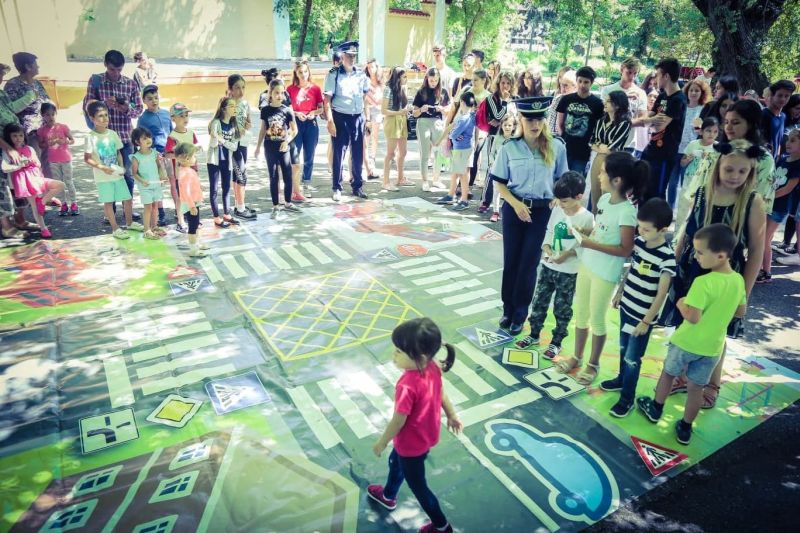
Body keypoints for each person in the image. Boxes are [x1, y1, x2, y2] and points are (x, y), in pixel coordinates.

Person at [664, 141, 766, 409]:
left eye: (742, 171)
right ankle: (683, 375)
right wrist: (674, 265)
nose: (735, 176)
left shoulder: (753, 201)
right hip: (692, 270)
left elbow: (757, 250)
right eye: (729, 169)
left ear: (750, 172)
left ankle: (711, 382)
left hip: (726, 278)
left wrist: (744, 292)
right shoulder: (702, 193)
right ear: (718, 165)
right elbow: (686, 234)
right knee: (687, 320)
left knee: (715, 330)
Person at [638, 223, 746, 445]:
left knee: (668, 374)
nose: (696, 256)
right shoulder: (738, 280)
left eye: (700, 252)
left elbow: (693, 317)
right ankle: (685, 428)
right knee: (696, 388)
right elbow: (740, 311)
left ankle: (656, 408)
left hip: (686, 343)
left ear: (721, 256)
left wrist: (681, 304)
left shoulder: (703, 282)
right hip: (712, 348)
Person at [555, 152, 648, 385]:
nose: (598, 175)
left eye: (603, 172)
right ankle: (576, 357)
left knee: (597, 320)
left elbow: (626, 249)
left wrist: (589, 243)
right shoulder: (605, 200)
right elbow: (601, 232)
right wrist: (584, 233)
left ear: (617, 180)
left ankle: (593, 364)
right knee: (581, 315)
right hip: (587, 265)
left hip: (605, 273)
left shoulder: (627, 211)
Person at [367, 317, 461, 533]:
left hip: (411, 445)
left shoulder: (407, 385)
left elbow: (398, 420)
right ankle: (388, 496)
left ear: (420, 356)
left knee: (419, 487)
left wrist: (382, 442)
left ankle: (441, 526)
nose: (393, 355)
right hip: (424, 436)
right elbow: (441, 392)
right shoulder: (433, 366)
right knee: (396, 462)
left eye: (399, 351)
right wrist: (451, 414)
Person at [491, 96, 568, 335]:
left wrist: (558, 197)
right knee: (511, 261)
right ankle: (508, 309)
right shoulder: (509, 147)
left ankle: (520, 313)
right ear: (521, 120)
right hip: (514, 209)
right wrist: (516, 205)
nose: (535, 125)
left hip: (542, 212)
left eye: (539, 119)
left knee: (528, 264)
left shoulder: (557, 146)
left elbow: (562, 179)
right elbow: (499, 183)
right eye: (530, 120)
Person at [601, 198, 675, 417]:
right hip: (627, 308)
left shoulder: (667, 257)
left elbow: (661, 294)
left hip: (642, 318)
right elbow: (631, 270)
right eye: (639, 227)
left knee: (633, 359)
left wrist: (645, 321)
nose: (640, 232)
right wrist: (620, 292)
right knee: (623, 349)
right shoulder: (640, 243)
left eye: (646, 229)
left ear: (663, 230)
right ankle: (621, 380)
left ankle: (627, 399)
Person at [515, 171, 594, 359]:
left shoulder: (587, 218)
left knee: (562, 308)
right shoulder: (558, 209)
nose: (560, 204)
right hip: (548, 266)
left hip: (569, 271)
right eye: (558, 199)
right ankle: (534, 334)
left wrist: (567, 254)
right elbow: (549, 231)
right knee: (539, 302)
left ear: (579, 197)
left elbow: (586, 246)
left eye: (564, 201)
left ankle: (556, 342)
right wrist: (547, 248)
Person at [83, 50, 144, 222]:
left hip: (125, 137)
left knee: (127, 175)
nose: (116, 73)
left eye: (119, 69)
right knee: (108, 175)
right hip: (104, 139)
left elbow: (138, 110)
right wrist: (103, 104)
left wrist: (125, 107)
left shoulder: (130, 84)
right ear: (105, 65)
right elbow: (88, 106)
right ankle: (110, 211)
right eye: (112, 69)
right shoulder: (96, 81)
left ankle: (128, 209)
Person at [83, 101, 141, 239]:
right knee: (108, 202)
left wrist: (121, 167)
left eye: (106, 115)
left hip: (117, 175)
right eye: (100, 116)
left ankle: (129, 223)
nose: (105, 118)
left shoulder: (113, 134)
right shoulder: (90, 137)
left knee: (127, 199)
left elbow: (118, 152)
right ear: (92, 118)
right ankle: (115, 229)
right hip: (103, 178)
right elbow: (87, 159)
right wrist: (102, 167)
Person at [324, 41, 370, 201]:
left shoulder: (361, 74)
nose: (351, 58)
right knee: (339, 153)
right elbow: (327, 100)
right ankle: (337, 187)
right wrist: (330, 121)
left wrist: (367, 119)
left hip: (358, 117)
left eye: (353, 56)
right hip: (340, 117)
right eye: (349, 55)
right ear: (342, 56)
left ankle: (357, 186)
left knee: (357, 154)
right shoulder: (334, 74)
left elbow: (365, 97)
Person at [637, 58, 688, 200]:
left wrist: (648, 121)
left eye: (658, 75)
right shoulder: (662, 96)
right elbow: (650, 116)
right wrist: (651, 120)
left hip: (665, 155)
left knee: (657, 193)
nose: (656, 79)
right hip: (650, 150)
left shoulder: (678, 99)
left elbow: (658, 126)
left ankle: (656, 216)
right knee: (642, 190)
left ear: (666, 76)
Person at [1, 124, 64, 238]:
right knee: (35, 207)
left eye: (20, 135)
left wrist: (32, 162)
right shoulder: (8, 153)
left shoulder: (29, 149)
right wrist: (19, 166)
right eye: (14, 136)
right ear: (9, 137)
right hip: (25, 183)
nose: (18, 138)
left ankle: (43, 202)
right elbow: (5, 168)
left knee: (60, 185)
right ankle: (44, 229)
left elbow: (38, 163)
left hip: (37, 178)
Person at [0, 62, 36, 238]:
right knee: (3, 187)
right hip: (4, 146)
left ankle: (20, 219)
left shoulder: (1, 94)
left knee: (19, 181)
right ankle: (6, 226)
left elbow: (12, 110)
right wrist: (8, 149)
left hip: (12, 142)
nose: (1, 77)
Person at [255, 79, 300, 219]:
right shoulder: (265, 110)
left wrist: (287, 141)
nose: (279, 95)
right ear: (270, 93)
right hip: (270, 146)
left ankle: (288, 202)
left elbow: (294, 130)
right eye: (276, 93)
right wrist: (258, 147)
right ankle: (275, 205)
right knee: (273, 176)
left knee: (287, 175)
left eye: (282, 93)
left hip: (283, 147)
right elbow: (263, 129)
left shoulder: (287, 110)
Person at [4, 53, 53, 177]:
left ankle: (47, 187)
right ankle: (36, 187)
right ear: (28, 66)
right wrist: (29, 97)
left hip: (44, 130)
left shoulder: (37, 83)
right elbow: (10, 109)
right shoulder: (12, 84)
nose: (38, 67)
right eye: (35, 64)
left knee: (48, 163)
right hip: (29, 133)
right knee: (34, 164)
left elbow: (47, 101)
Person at [759, 129, 800, 281]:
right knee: (761, 237)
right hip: (768, 203)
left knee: (765, 239)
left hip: (779, 207)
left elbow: (788, 188)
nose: (788, 143)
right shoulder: (782, 159)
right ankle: (760, 268)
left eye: (793, 140)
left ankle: (766, 272)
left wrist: (768, 197)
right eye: (788, 139)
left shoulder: (798, 164)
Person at [667, 79, 713, 209]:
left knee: (686, 182)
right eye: (691, 90)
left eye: (697, 90)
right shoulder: (682, 106)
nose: (693, 93)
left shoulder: (703, 109)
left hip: (691, 152)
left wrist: (700, 130)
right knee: (672, 182)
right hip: (676, 148)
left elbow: (704, 131)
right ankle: (670, 208)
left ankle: (684, 210)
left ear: (702, 93)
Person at [587, 90, 631, 212]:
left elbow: (612, 148)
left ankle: (608, 220)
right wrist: (601, 147)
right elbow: (591, 142)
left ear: (617, 105)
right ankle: (595, 220)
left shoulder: (624, 123)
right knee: (595, 194)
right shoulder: (601, 121)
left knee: (608, 195)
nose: (605, 103)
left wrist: (599, 146)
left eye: (609, 101)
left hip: (614, 162)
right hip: (598, 159)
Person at [675, 117, 720, 235]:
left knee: (700, 214)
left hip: (706, 186)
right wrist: (688, 159)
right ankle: (676, 238)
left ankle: (694, 239)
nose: (712, 134)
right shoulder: (693, 144)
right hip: (689, 183)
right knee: (683, 212)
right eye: (708, 131)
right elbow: (682, 163)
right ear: (702, 131)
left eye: (715, 131)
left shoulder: (718, 148)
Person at [556, 66, 604, 176]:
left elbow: (598, 128)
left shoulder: (597, 104)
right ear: (576, 81)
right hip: (566, 147)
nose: (582, 85)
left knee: (576, 178)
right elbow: (559, 123)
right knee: (561, 177)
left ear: (591, 83)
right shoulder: (566, 99)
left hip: (583, 150)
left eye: (586, 82)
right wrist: (562, 139)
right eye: (580, 81)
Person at [136, 84, 173, 226]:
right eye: (150, 98)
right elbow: (142, 139)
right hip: (156, 157)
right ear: (144, 101)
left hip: (169, 154)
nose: (154, 101)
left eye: (156, 98)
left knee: (173, 182)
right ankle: (160, 214)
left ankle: (181, 209)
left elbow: (172, 133)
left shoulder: (166, 114)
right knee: (158, 186)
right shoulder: (143, 119)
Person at [479, 71, 515, 211]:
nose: (505, 86)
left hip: (511, 139)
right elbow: (498, 115)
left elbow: (514, 119)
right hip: (495, 137)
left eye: (508, 83)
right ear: (498, 83)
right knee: (492, 168)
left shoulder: (515, 99)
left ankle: (506, 203)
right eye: (502, 83)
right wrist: (504, 103)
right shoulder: (492, 99)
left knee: (511, 169)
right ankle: (485, 201)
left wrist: (501, 121)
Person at [288, 60, 324, 198]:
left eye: (305, 71)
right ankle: (294, 186)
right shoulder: (290, 89)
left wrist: (313, 113)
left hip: (311, 125)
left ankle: (306, 183)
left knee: (309, 155)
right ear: (296, 74)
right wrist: (297, 113)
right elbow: (286, 109)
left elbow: (321, 108)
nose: (303, 75)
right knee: (295, 156)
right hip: (295, 124)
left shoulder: (315, 89)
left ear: (309, 72)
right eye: (300, 72)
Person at [436, 91, 476, 211]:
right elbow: (454, 129)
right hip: (463, 148)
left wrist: (453, 135)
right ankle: (452, 195)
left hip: (462, 149)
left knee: (462, 175)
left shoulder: (464, 118)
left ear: (462, 103)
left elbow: (453, 134)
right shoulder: (470, 116)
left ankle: (464, 200)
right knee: (457, 173)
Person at [413, 68, 451, 191]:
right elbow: (414, 113)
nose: (433, 83)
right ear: (427, 79)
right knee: (425, 154)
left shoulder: (443, 91)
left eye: (436, 80)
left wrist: (442, 109)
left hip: (437, 123)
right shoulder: (421, 92)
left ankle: (436, 179)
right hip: (423, 122)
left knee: (439, 152)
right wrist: (421, 109)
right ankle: (425, 181)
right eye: (431, 80)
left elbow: (449, 110)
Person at [206, 97, 241, 229]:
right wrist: (218, 139)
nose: (234, 108)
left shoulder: (234, 125)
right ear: (224, 109)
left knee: (226, 188)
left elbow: (234, 147)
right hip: (214, 161)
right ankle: (216, 217)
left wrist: (222, 140)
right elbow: (213, 143)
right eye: (231, 106)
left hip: (227, 161)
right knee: (214, 189)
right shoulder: (216, 122)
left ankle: (227, 214)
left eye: (235, 106)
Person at [37, 102, 77, 216]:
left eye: (52, 114)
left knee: (68, 181)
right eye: (47, 115)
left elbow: (72, 140)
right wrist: (47, 143)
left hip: (66, 159)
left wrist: (65, 141)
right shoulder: (42, 130)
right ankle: (64, 204)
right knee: (59, 184)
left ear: (56, 114)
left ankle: (74, 203)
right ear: (43, 116)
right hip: (53, 161)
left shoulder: (63, 127)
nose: (50, 117)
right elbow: (40, 145)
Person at [601, 57, 647, 155]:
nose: (632, 77)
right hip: (608, 141)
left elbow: (643, 119)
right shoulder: (608, 90)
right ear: (622, 69)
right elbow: (604, 115)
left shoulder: (641, 93)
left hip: (628, 144)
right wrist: (624, 98)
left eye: (635, 73)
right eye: (629, 72)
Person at [164, 103, 197, 232]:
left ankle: (192, 218)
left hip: (191, 171)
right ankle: (180, 220)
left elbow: (193, 150)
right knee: (180, 197)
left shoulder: (191, 133)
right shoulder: (172, 136)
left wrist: (195, 167)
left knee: (191, 194)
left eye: (186, 115)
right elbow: (167, 154)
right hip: (179, 173)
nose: (185, 118)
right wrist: (180, 156)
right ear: (173, 118)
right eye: (181, 116)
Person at [228, 74, 257, 218]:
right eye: (237, 88)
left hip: (243, 143)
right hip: (232, 145)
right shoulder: (227, 104)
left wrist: (247, 125)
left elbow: (249, 122)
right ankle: (240, 209)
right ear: (230, 89)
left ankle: (239, 204)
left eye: (243, 87)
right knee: (241, 175)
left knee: (238, 174)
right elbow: (222, 124)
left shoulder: (245, 104)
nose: (241, 91)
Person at [130, 127, 166, 239]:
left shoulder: (155, 153)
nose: (148, 140)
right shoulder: (136, 157)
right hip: (145, 187)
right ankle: (147, 230)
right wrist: (142, 181)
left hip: (156, 185)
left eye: (149, 137)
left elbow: (159, 167)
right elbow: (134, 173)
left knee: (155, 206)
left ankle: (154, 227)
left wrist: (162, 176)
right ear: (137, 142)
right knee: (148, 207)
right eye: (144, 138)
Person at [483, 112, 519, 222]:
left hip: (511, 171)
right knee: (496, 191)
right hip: (498, 169)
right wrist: (492, 163)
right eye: (505, 125)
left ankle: (509, 212)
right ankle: (495, 212)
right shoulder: (497, 138)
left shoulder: (516, 140)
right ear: (501, 126)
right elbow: (491, 153)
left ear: (514, 126)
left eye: (509, 125)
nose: (507, 127)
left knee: (510, 192)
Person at [174, 142, 208, 258]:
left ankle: (196, 243)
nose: (195, 158)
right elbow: (186, 192)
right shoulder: (185, 173)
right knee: (193, 227)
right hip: (190, 203)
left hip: (194, 202)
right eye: (193, 156)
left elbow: (192, 185)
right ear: (187, 158)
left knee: (196, 224)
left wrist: (199, 187)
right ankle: (193, 249)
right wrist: (192, 206)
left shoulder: (188, 170)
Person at [381, 67, 411, 192]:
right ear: (398, 77)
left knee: (403, 152)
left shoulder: (402, 89)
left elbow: (403, 106)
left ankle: (400, 178)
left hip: (402, 120)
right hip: (392, 121)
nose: (406, 79)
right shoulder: (388, 89)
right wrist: (399, 112)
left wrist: (406, 110)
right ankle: (386, 182)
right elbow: (383, 110)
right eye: (404, 77)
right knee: (390, 153)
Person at [760, 79, 794, 160]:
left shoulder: (783, 116)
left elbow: (778, 140)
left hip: (774, 161)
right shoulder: (763, 115)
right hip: (763, 160)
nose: (783, 99)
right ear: (772, 95)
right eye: (780, 95)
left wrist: (777, 157)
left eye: (787, 96)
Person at [364, 59, 384, 178]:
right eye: (368, 67)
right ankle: (365, 159)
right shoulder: (365, 81)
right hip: (367, 110)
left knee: (375, 135)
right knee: (366, 136)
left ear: (377, 68)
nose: (370, 69)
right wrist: (367, 118)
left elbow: (384, 97)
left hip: (378, 110)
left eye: (372, 67)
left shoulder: (381, 82)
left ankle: (372, 157)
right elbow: (365, 100)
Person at [547, 68, 575, 134]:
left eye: (566, 85)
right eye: (562, 84)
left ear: (575, 86)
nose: (563, 88)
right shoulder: (558, 98)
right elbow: (552, 119)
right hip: (554, 133)